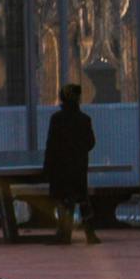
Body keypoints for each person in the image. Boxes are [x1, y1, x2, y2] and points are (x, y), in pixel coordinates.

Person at [44, 83, 100, 245]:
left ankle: (64, 233)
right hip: (79, 166)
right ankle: (90, 233)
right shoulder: (84, 119)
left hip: (60, 167)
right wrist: (79, 151)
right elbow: (91, 142)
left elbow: (51, 144)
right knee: (82, 199)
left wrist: (48, 166)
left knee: (63, 200)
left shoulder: (57, 119)